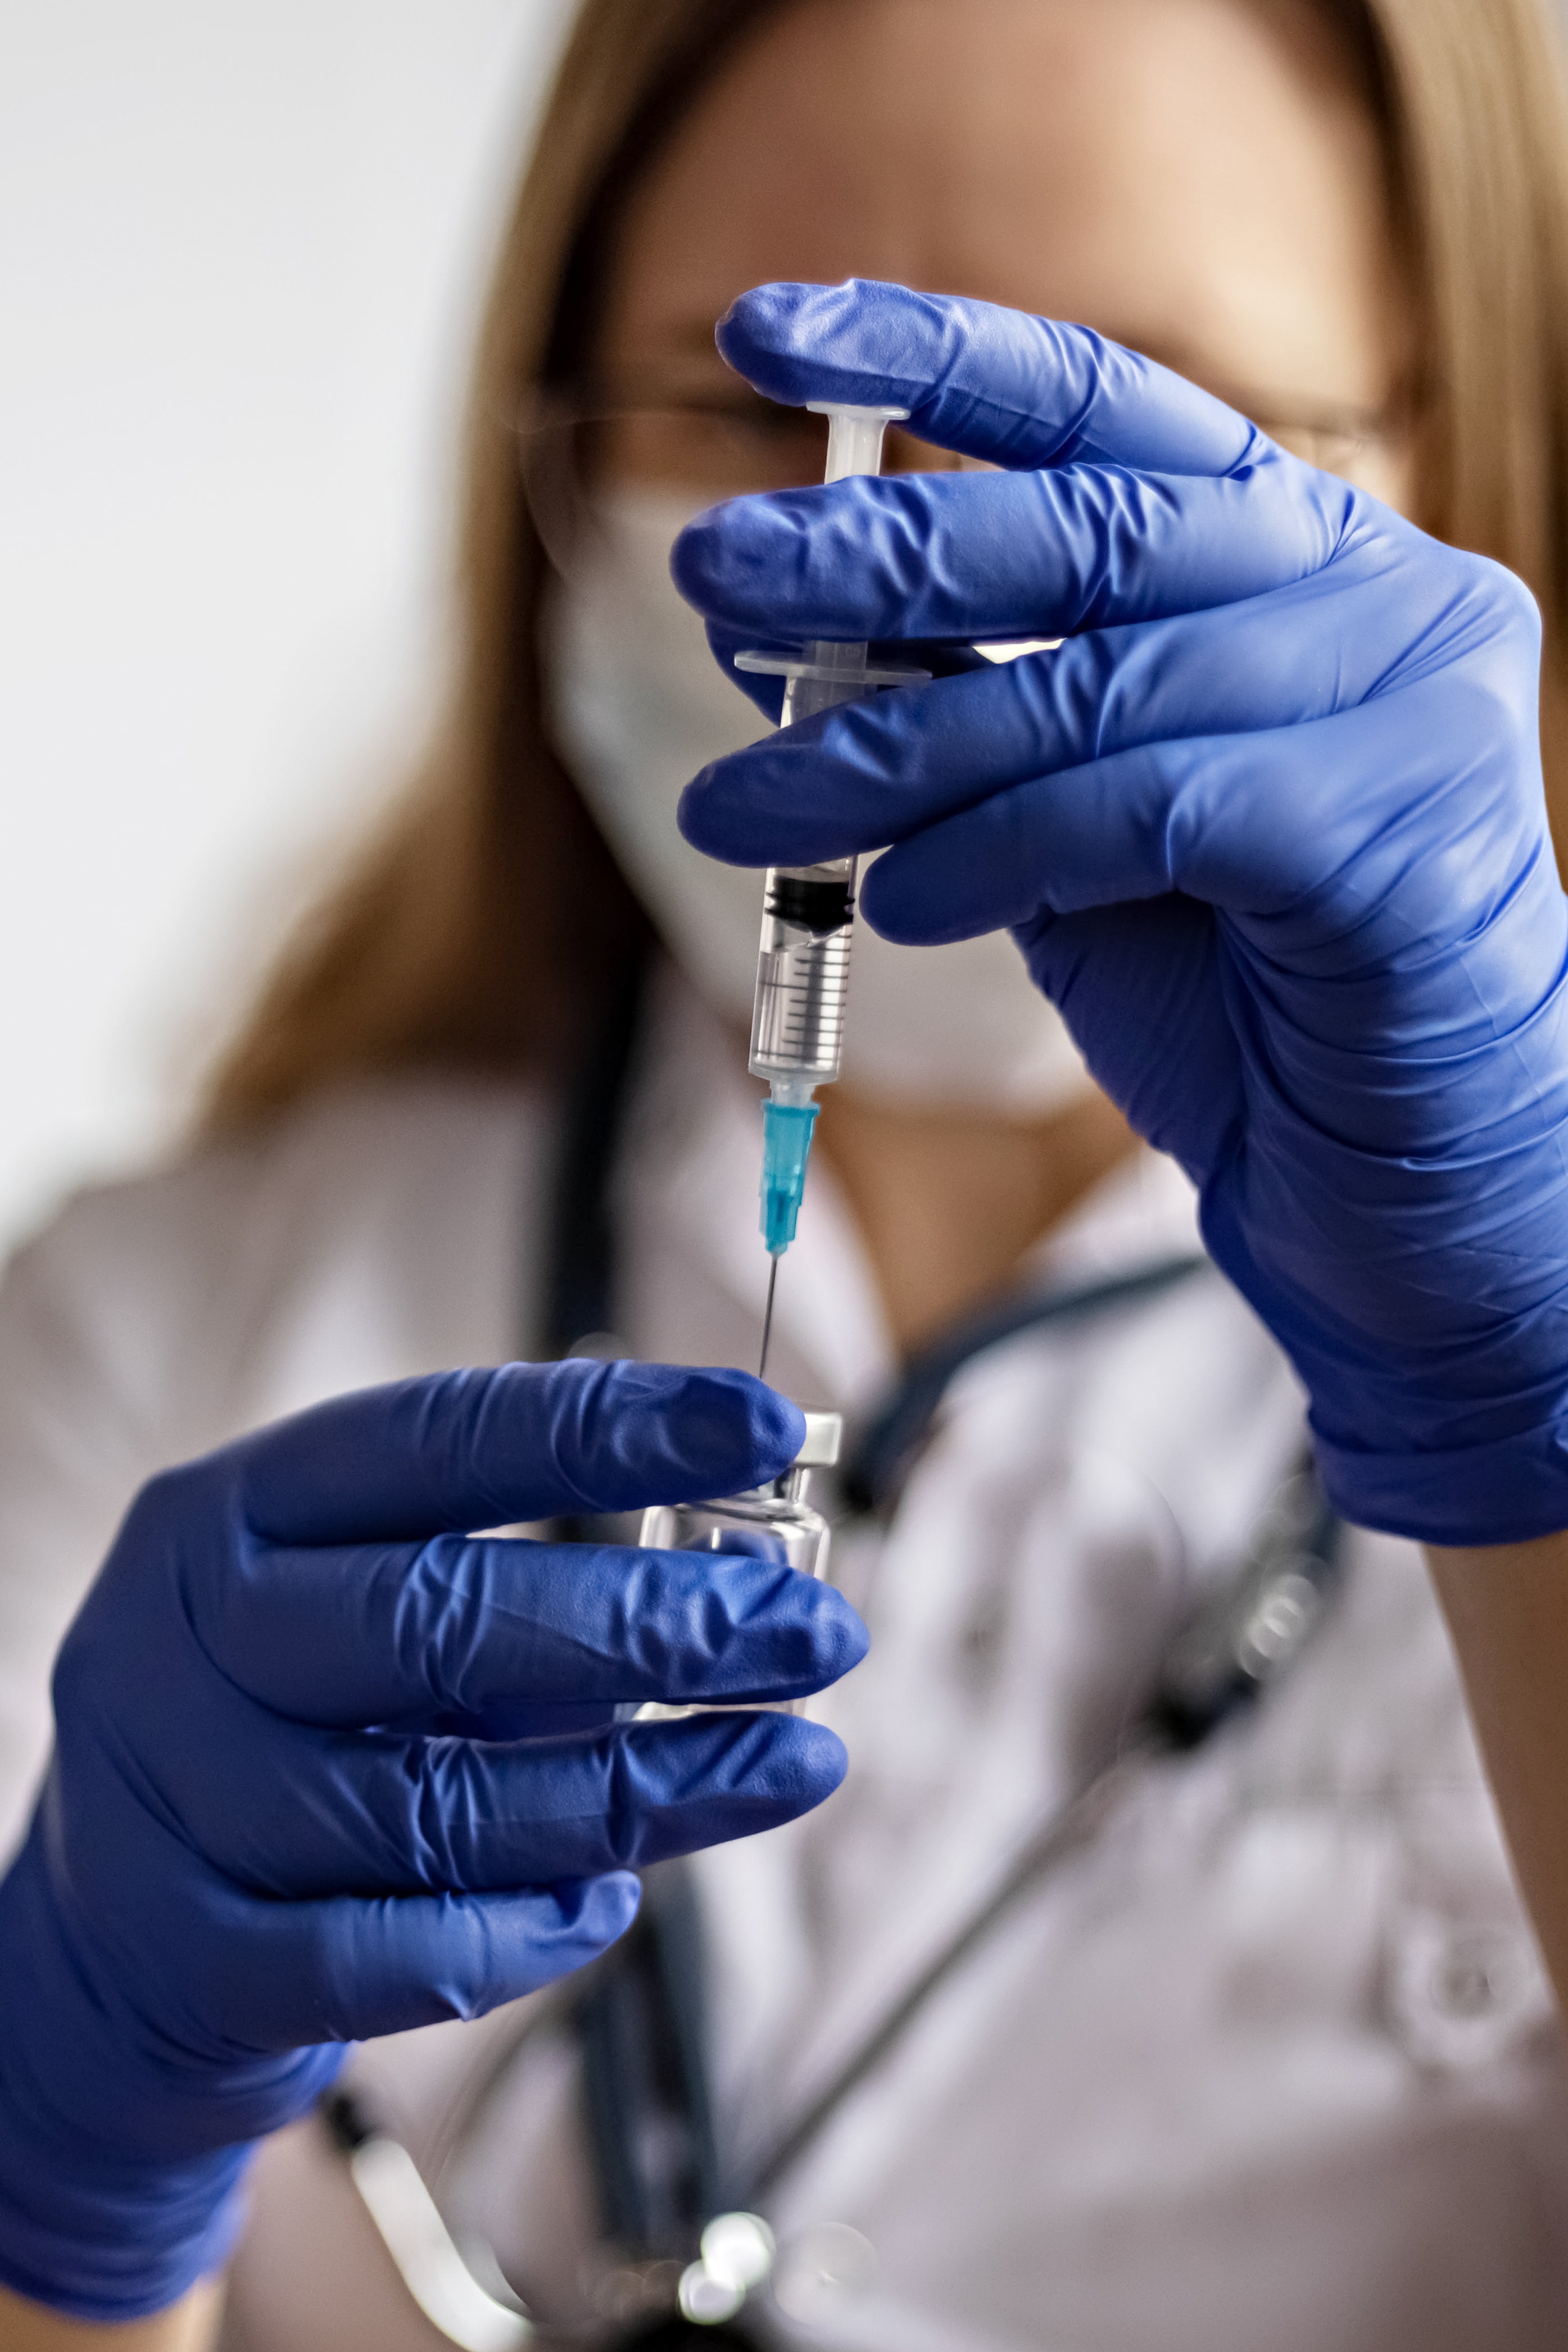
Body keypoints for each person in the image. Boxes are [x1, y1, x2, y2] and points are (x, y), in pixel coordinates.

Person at [7, 0, 1568, 2345]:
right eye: (757, 414)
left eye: (1102, 419)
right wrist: (59, 2212)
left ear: (1461, 462)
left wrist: (1531, 1433)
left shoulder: (1517, 1309)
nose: (889, 581)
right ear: (536, 456)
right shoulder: (169, 1328)